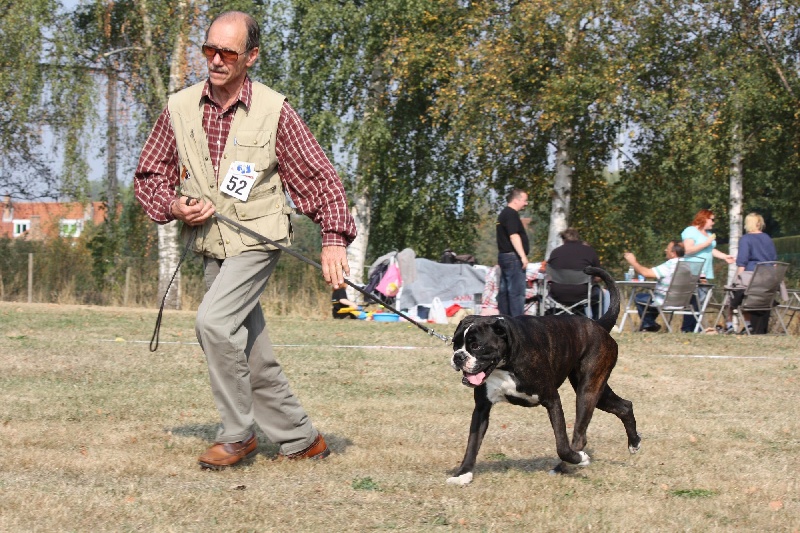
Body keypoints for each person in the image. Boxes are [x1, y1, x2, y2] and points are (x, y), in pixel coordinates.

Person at [133, 11, 356, 469]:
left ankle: (238, 436)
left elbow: (318, 178)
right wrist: (176, 206)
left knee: (213, 324)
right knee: (250, 350)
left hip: (258, 240)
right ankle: (301, 438)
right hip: (211, 243)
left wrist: (333, 238)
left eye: (227, 52)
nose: (215, 60)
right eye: (208, 49)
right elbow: (150, 175)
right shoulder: (179, 108)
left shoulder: (275, 111)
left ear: (250, 57)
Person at [681, 209, 734, 332]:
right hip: (693, 271)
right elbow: (688, 250)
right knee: (693, 300)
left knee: (701, 300)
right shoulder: (691, 231)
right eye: (712, 219)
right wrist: (706, 243)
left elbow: (710, 250)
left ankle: (695, 327)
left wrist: (724, 256)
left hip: (705, 272)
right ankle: (688, 328)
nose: (713, 223)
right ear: (704, 218)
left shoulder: (708, 235)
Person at [725, 212, 778, 334]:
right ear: (760, 224)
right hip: (767, 283)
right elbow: (774, 263)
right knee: (746, 294)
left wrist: (736, 280)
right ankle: (749, 326)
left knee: (733, 294)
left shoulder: (746, 239)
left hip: (751, 280)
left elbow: (742, 263)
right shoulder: (767, 238)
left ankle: (730, 324)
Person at [623, 240, 686, 332]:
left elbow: (646, 273)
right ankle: (648, 325)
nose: (665, 250)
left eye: (667, 249)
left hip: (665, 301)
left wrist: (633, 262)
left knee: (639, 297)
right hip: (682, 301)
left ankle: (649, 324)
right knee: (651, 299)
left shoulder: (670, 265)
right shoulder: (688, 265)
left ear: (673, 253)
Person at [546, 228, 602, 316]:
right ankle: (598, 325)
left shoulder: (555, 252)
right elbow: (599, 276)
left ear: (563, 239)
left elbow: (548, 273)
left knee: (578, 289)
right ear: (577, 238)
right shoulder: (589, 251)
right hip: (582, 293)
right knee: (598, 292)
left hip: (558, 294)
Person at [495, 188, 530, 316]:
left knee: (505, 291)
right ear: (516, 200)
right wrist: (523, 257)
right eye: (524, 200)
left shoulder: (503, 214)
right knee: (516, 292)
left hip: (504, 256)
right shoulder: (511, 214)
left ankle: (504, 319)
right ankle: (517, 323)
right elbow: (513, 236)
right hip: (513, 257)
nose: (526, 203)